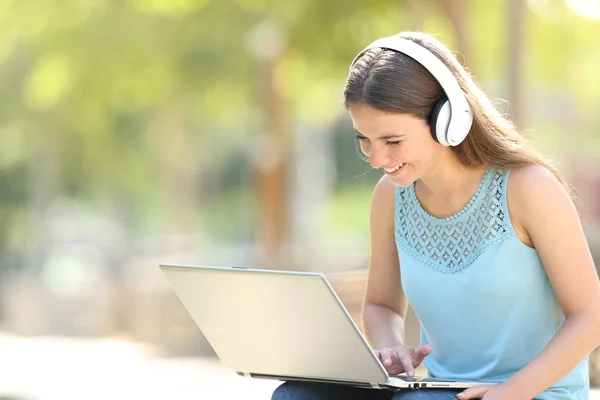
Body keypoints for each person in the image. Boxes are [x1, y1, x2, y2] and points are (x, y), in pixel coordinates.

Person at [271, 31, 600, 400]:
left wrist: (510, 392)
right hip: (437, 391)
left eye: (392, 141)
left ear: (449, 119)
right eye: (364, 139)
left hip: (532, 393)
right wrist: (391, 348)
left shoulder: (529, 188)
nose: (377, 160)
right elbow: (381, 305)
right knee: (295, 396)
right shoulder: (390, 197)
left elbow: (590, 317)